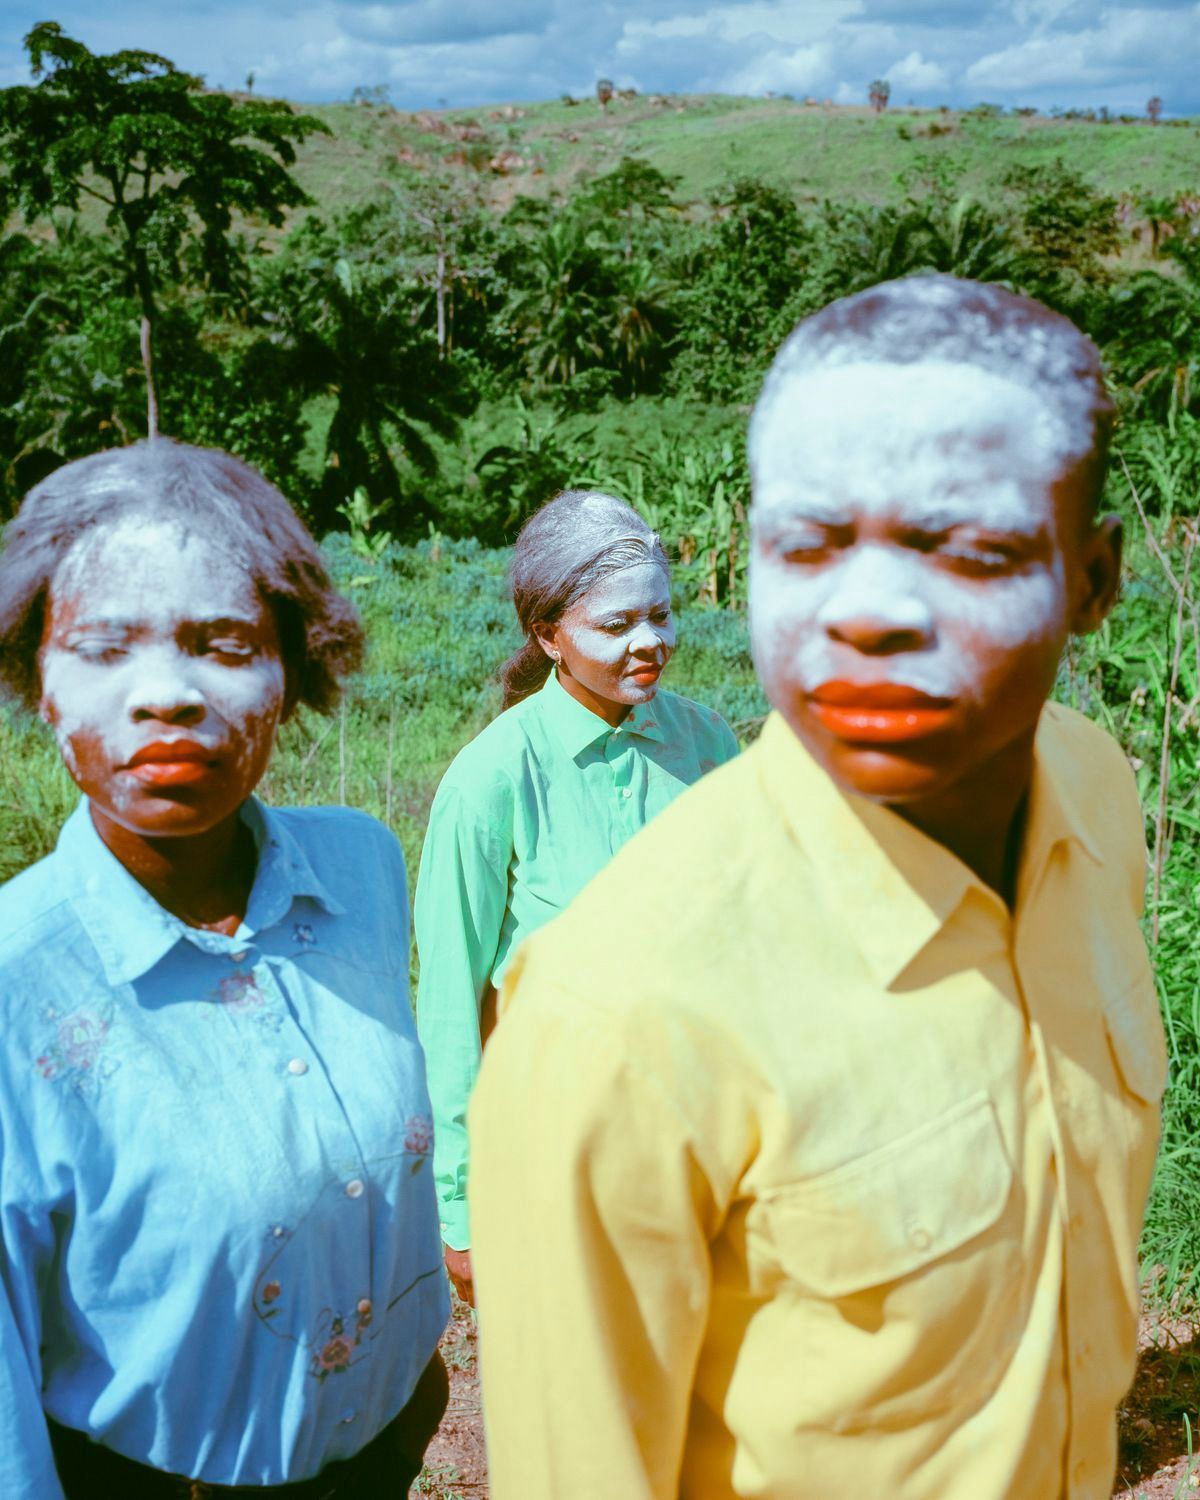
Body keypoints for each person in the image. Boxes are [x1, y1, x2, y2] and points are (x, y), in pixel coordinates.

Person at [468, 276, 1166, 1498]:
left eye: (970, 551)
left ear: (1095, 581)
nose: (870, 614)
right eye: (808, 543)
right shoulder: (615, 1017)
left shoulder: (1098, 798)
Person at [0, 440, 449, 1498]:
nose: (166, 695)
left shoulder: (363, 869)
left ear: (293, 673)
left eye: (224, 642)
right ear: (37, 682)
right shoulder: (17, 979)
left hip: (383, 1455)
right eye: (104, 648)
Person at [413, 489, 739, 1305]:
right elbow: (449, 1008)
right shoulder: (491, 779)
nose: (649, 642)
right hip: (551, 1157)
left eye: (660, 615)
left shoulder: (708, 744)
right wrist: (461, 1206)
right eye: (617, 624)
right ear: (548, 635)